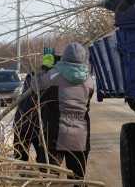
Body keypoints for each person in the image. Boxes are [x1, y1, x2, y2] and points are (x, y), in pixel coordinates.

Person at [36, 42, 94, 184]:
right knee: (77, 180)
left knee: (49, 179)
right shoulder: (89, 81)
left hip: (54, 136)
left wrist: (45, 68)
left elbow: (35, 86)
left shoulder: (52, 75)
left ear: (64, 57)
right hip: (80, 138)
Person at [12, 50, 59, 162]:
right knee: (43, 160)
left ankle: (21, 175)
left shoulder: (32, 76)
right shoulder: (50, 83)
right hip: (37, 126)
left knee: (20, 158)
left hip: (21, 122)